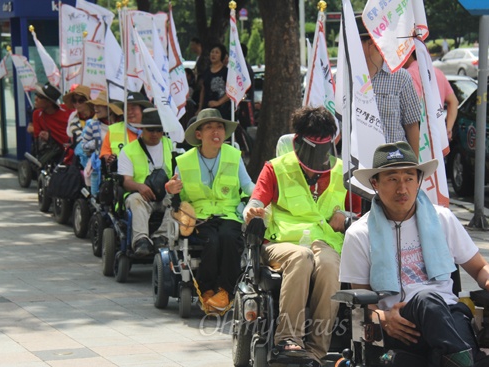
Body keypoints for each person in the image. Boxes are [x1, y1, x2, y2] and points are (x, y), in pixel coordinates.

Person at [339, 141, 489, 367]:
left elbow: (479, 267)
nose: (402, 188)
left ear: (419, 181)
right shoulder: (359, 233)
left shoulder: (442, 219)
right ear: (375, 183)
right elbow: (360, 302)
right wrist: (382, 318)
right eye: (392, 179)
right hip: (401, 323)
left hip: (450, 315)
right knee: (425, 299)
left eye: (409, 178)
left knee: (436, 313)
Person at [243, 106, 361, 365]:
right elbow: (254, 203)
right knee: (301, 256)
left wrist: (347, 219)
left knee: (331, 265)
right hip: (280, 244)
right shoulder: (275, 168)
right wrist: (252, 213)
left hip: (326, 243)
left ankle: (317, 352)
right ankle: (288, 338)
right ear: (297, 142)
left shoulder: (343, 173)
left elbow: (362, 218)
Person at [166, 108, 255, 312]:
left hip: (229, 212)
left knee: (229, 238)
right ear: (199, 134)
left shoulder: (233, 155)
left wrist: (261, 193)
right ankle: (206, 290)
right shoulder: (184, 161)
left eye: (219, 127)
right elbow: (174, 189)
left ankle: (225, 291)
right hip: (200, 216)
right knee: (211, 242)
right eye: (209, 127)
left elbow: (247, 184)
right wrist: (170, 188)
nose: (215, 131)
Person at [356, 15, 421, 157]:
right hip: (358, 164)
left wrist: (413, 167)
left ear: (371, 43)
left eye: (355, 42)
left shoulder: (400, 77)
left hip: (394, 163)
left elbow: (412, 125)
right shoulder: (347, 79)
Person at [117, 108, 173, 256]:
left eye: (158, 130)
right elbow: (126, 181)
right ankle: (141, 240)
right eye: (150, 130)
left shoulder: (170, 145)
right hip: (141, 195)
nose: (155, 134)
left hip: (166, 193)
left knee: (181, 201)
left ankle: (161, 237)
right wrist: (140, 187)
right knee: (134, 200)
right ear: (142, 129)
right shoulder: (128, 151)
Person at [404, 51, 459, 141]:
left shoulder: (409, 74)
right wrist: (449, 128)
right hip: (439, 132)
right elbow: (453, 101)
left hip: (421, 137)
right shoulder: (437, 72)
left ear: (409, 54)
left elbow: (417, 105)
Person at [99, 91, 153, 166]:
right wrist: (110, 160)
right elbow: (105, 154)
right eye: (126, 109)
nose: (129, 112)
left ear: (143, 110)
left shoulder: (153, 129)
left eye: (133, 108)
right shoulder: (113, 129)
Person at [32, 82, 73, 157]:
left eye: (40, 96)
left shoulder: (68, 110)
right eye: (36, 94)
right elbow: (37, 137)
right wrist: (44, 136)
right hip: (54, 154)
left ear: (50, 102)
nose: (36, 98)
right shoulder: (37, 114)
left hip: (72, 153)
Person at [198, 43, 230, 120]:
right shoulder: (206, 71)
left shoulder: (226, 72)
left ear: (221, 55)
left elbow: (230, 92)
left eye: (217, 52)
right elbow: (203, 90)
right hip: (207, 109)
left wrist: (218, 102)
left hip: (222, 110)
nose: (213, 54)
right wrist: (199, 108)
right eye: (212, 52)